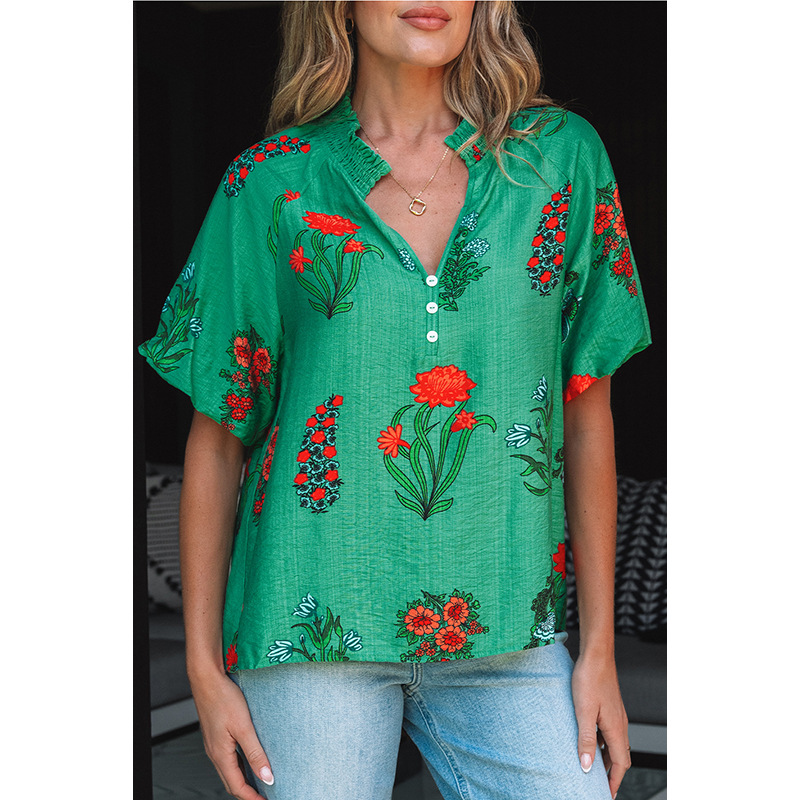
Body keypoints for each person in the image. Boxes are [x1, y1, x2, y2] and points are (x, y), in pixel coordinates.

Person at [139, 2, 651, 798]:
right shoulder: (270, 182)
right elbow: (217, 438)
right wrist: (204, 669)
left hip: (510, 631)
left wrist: (599, 653)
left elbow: (587, 411)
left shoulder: (559, 160)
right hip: (310, 631)